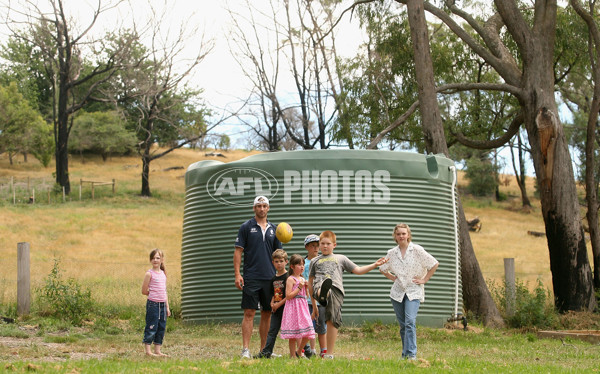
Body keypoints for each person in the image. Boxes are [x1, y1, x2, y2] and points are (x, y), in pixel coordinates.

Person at [308, 231, 387, 359]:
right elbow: (310, 283)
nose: (325, 246)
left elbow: (358, 270)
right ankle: (322, 293)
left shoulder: (341, 258)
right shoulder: (315, 261)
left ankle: (329, 354)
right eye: (322, 244)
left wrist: (375, 265)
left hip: (336, 290)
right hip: (319, 287)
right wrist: (314, 305)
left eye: (328, 244)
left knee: (332, 320)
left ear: (334, 245)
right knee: (320, 286)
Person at [379, 223, 439, 360]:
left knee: (410, 321)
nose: (401, 236)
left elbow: (434, 263)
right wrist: (393, 278)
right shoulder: (392, 253)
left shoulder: (417, 250)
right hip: (397, 293)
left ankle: (412, 354)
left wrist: (425, 279)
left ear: (408, 235)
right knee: (403, 325)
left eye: (403, 233)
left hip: (413, 291)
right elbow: (382, 269)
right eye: (398, 234)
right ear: (395, 236)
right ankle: (404, 354)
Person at [234, 195, 283, 359]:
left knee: (268, 312)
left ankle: (264, 350)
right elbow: (238, 251)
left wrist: (280, 276)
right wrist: (237, 274)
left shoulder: (275, 229)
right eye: (258, 206)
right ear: (254, 208)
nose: (261, 209)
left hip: (270, 278)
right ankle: (245, 350)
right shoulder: (246, 227)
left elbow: (279, 255)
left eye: (264, 206)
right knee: (249, 312)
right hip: (251, 276)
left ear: (268, 208)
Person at [280, 254, 315, 358]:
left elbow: (306, 295)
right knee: (293, 335)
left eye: (303, 264)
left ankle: (299, 351)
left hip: (303, 308)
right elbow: (288, 296)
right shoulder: (290, 279)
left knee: (309, 331)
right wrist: (299, 288)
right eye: (299, 264)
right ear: (292, 266)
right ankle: (292, 356)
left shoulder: (303, 279)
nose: (302, 267)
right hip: (293, 308)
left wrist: (306, 287)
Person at [256, 249, 289, 358]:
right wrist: (272, 303)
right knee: (272, 331)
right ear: (272, 263)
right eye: (276, 261)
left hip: (288, 308)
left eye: (281, 261)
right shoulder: (274, 278)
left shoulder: (289, 277)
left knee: (295, 331)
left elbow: (289, 296)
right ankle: (266, 353)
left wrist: (278, 304)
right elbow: (273, 293)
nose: (279, 264)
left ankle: (304, 351)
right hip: (276, 310)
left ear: (286, 262)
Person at [141, 248, 171, 357]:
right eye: (153, 258)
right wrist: (153, 294)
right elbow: (144, 290)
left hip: (162, 304)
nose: (155, 260)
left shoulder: (163, 274)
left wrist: (167, 307)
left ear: (162, 260)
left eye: (158, 258)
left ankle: (157, 350)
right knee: (151, 326)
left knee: (161, 327)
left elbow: (164, 291)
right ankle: (148, 351)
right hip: (153, 304)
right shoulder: (149, 274)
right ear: (150, 260)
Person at [301, 234, 327, 358]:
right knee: (308, 326)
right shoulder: (303, 263)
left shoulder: (323, 260)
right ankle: (309, 350)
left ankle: (324, 351)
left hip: (321, 300)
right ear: (307, 247)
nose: (316, 248)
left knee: (321, 326)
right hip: (306, 300)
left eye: (317, 246)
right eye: (312, 246)